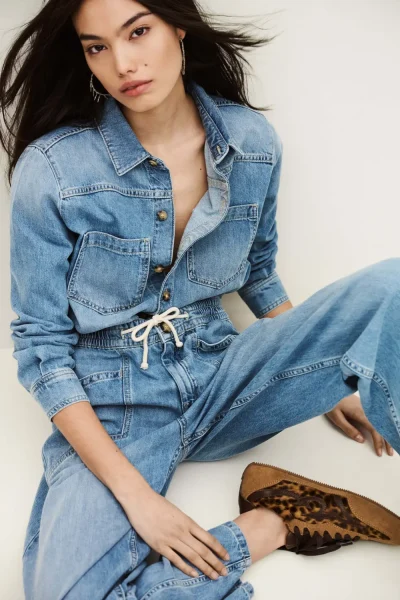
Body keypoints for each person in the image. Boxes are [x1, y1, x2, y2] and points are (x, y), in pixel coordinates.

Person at [2, 1, 398, 598]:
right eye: (97, 47)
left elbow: (257, 271)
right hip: (117, 404)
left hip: (224, 377)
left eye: (138, 32)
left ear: (178, 28)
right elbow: (42, 347)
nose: (123, 63)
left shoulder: (251, 142)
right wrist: (139, 500)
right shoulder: (55, 169)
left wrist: (332, 366)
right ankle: (272, 523)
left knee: (392, 287)